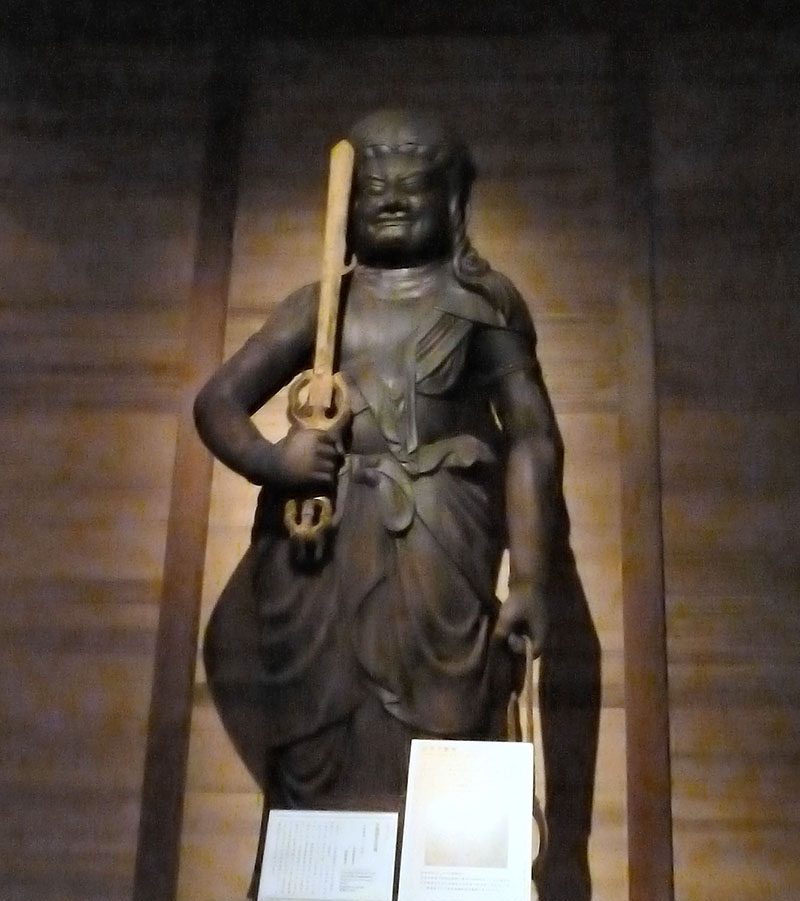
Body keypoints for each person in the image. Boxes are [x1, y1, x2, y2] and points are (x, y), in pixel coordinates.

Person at [194, 109, 561, 845]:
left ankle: (440, 890)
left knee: (445, 713)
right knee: (317, 717)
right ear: (346, 207)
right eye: (373, 188)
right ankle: (318, 892)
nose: (391, 199)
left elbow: (533, 437)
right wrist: (277, 461)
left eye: (412, 185)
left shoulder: (483, 302)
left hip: (436, 540)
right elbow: (218, 402)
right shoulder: (320, 306)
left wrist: (529, 577)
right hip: (322, 544)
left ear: (451, 201)